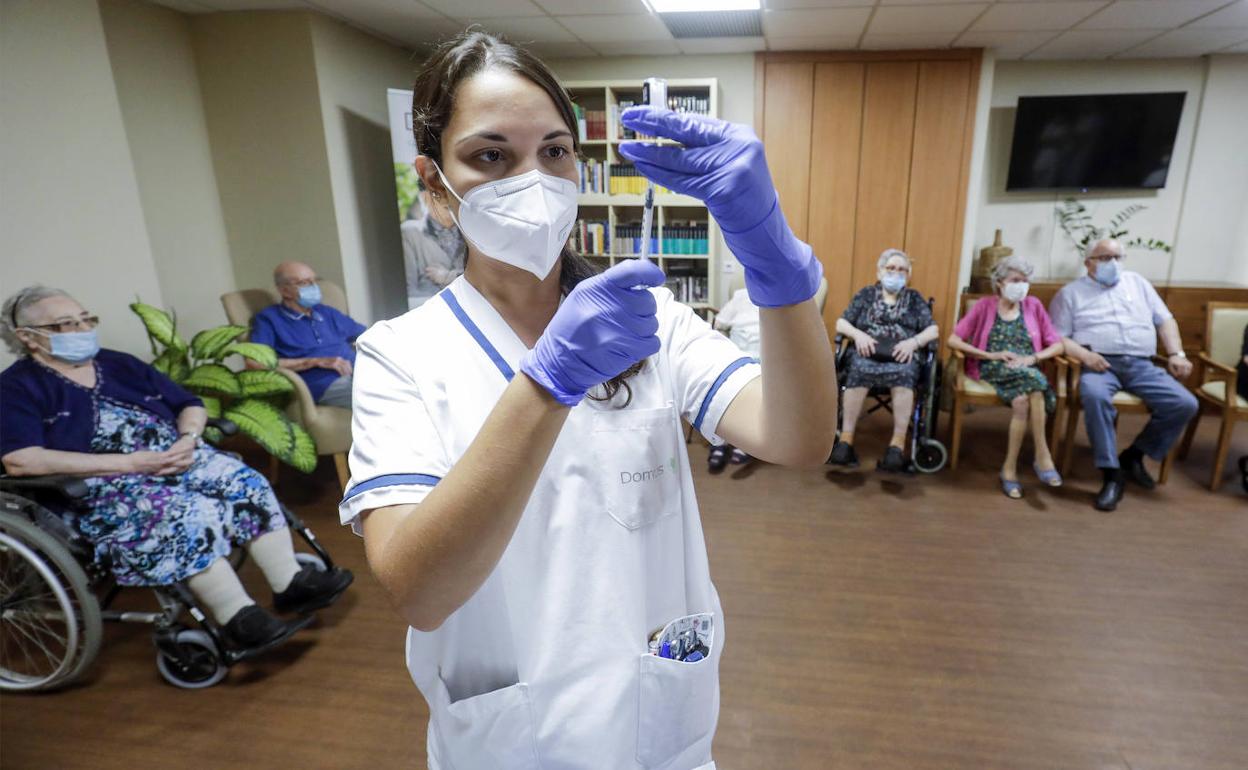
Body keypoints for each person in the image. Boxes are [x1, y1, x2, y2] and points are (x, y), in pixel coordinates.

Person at [339, 31, 837, 770]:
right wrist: (547, 384)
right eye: (491, 156)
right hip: (514, 739)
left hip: (660, 722)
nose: (532, 181)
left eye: (554, 151)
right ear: (435, 185)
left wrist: (775, 263)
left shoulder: (649, 317)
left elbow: (797, 438)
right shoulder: (400, 354)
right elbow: (421, 591)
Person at [0, 286, 353, 652]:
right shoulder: (16, 388)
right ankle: (238, 617)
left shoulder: (117, 363)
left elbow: (189, 402)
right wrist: (131, 463)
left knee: (245, 482)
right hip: (99, 484)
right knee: (188, 513)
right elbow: (21, 459)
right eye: (64, 325)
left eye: (85, 319)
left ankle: (289, 584)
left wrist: (188, 437)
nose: (82, 329)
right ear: (28, 337)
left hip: (175, 457)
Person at [1049, 238, 1197, 512]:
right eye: (1105, 257)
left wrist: (1177, 353)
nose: (1113, 263)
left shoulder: (1138, 283)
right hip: (1098, 363)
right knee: (1094, 396)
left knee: (1184, 403)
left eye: (1118, 257)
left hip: (1142, 364)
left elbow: (1164, 319)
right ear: (1088, 263)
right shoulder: (1070, 293)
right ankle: (1111, 473)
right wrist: (1085, 356)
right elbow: (1057, 337)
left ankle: (1134, 455)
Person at [948, 256, 1064, 499]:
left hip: (1027, 369)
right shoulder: (984, 306)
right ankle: (1042, 456)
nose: (1021, 285)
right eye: (1015, 280)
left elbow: (1057, 345)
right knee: (1037, 384)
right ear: (1000, 283)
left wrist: (1033, 359)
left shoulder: (1033, 306)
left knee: (1023, 400)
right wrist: (990, 354)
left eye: (1025, 280)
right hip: (993, 367)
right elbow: (954, 340)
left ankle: (1009, 470)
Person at [828, 249, 940, 472]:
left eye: (901, 270)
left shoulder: (914, 299)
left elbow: (933, 330)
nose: (896, 273)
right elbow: (841, 324)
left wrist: (913, 342)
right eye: (891, 268)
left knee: (907, 373)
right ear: (880, 272)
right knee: (857, 368)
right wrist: (859, 335)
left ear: (908, 275)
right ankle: (846, 439)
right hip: (865, 354)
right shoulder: (866, 294)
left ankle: (897, 445)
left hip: (902, 356)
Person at [248, 261, 367, 409]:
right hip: (325, 383)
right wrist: (313, 362)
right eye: (304, 283)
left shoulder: (326, 312)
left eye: (314, 281)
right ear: (284, 291)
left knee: (400, 387)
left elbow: (367, 334)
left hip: (362, 372)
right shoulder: (269, 319)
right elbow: (255, 363)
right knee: (383, 400)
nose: (314, 287)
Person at [707, 286, 760, 471]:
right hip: (736, 353)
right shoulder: (741, 296)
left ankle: (744, 444)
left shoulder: (784, 297)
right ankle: (719, 442)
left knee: (754, 388)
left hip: (766, 357)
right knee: (719, 385)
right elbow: (719, 322)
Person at [403, 181, 467, 307]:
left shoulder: (473, 232)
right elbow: (408, 295)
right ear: (424, 197)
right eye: (440, 191)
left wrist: (447, 277)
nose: (448, 198)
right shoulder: (409, 234)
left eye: (452, 191)